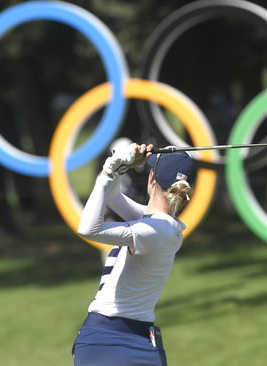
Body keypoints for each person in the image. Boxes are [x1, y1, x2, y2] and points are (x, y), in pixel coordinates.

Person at [72, 142, 195, 366]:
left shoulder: (155, 230)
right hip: (117, 340)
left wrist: (110, 169)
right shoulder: (163, 226)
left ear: (151, 180)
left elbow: (88, 228)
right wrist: (121, 168)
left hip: (108, 338)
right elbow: (112, 198)